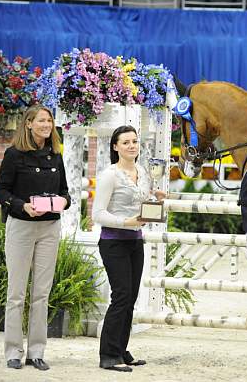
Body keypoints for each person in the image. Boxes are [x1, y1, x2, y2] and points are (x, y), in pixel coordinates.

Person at [0, 105, 71, 371]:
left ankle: (36, 352)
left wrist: (63, 202)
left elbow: (66, 192)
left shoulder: (56, 155)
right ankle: (13, 352)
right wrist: (21, 205)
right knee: (16, 294)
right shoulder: (14, 155)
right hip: (21, 227)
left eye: (49, 120)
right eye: (41, 120)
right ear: (28, 124)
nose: (46, 125)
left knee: (41, 294)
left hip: (50, 228)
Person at [92, 125, 166, 372]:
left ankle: (121, 351)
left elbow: (142, 205)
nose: (132, 146)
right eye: (125, 142)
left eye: (134, 141)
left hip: (135, 241)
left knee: (130, 299)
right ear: (115, 147)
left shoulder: (143, 172)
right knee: (121, 296)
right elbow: (97, 214)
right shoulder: (109, 175)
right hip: (113, 241)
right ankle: (108, 355)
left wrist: (156, 200)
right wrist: (126, 222)